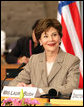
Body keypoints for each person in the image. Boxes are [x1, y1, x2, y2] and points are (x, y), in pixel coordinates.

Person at [8, 18, 80, 95]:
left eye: (54, 35)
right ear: (40, 41)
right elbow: (11, 85)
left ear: (60, 38)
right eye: (46, 36)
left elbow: (71, 88)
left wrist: (39, 91)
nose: (51, 39)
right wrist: (19, 86)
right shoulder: (34, 60)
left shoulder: (72, 60)